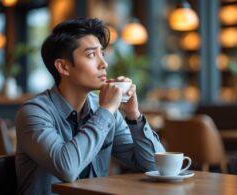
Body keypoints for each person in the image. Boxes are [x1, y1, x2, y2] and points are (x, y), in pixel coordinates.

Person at [15, 18, 165, 195]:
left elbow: (157, 166)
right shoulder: (33, 112)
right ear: (63, 66)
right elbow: (67, 168)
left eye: (102, 54)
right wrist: (106, 111)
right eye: (92, 55)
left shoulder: (104, 109)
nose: (104, 64)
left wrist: (134, 116)